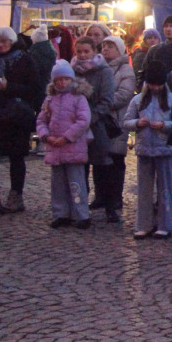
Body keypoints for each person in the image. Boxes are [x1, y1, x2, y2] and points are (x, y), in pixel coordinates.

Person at [38, 60, 93, 230]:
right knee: (58, 184)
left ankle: (80, 214)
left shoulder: (79, 98)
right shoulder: (50, 99)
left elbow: (84, 120)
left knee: (76, 183)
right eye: (59, 80)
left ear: (71, 79)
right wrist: (45, 136)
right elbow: (41, 120)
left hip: (73, 146)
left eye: (65, 79)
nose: (62, 83)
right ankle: (60, 213)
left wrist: (67, 137)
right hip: (55, 147)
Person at [125, 61, 172, 239]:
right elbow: (126, 121)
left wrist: (163, 125)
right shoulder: (137, 100)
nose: (155, 88)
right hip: (144, 149)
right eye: (152, 84)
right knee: (144, 190)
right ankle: (144, 224)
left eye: (158, 84)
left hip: (164, 149)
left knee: (165, 188)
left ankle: (165, 224)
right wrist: (137, 124)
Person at [0, 27, 37, 213]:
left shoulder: (25, 60)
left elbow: (33, 89)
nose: (1, 45)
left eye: (4, 41)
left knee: (16, 156)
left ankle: (16, 196)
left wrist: (9, 87)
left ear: (12, 41)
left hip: (17, 117)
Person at [73, 36, 117, 219]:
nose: (83, 55)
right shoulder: (71, 69)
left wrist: (89, 118)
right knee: (79, 167)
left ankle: (109, 207)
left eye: (86, 51)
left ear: (94, 51)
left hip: (96, 124)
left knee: (103, 166)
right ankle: (79, 206)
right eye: (79, 52)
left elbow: (107, 100)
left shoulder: (103, 71)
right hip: (76, 127)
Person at [99, 36, 136, 222]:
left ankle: (114, 200)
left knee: (115, 161)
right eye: (104, 45)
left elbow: (124, 95)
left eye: (110, 46)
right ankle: (101, 197)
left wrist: (101, 102)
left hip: (116, 122)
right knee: (100, 161)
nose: (106, 49)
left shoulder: (126, 70)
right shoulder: (97, 67)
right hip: (99, 121)